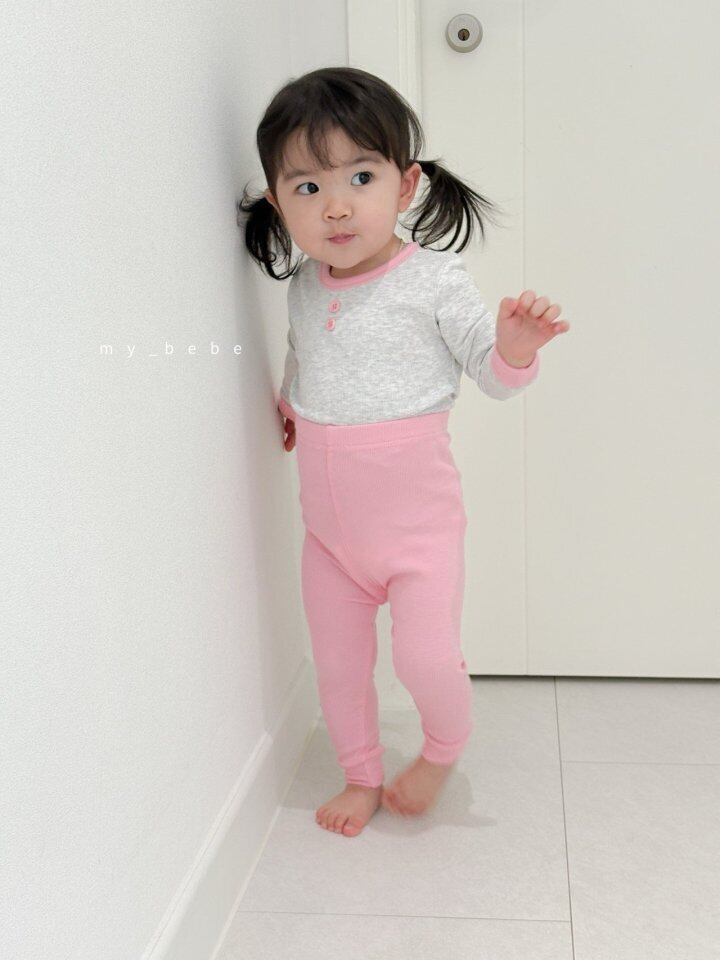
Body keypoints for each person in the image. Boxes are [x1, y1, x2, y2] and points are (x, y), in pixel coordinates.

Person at [237, 66, 569, 838]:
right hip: (330, 539)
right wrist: (291, 404)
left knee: (424, 659)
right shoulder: (306, 285)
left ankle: (443, 748)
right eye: (308, 188)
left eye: (360, 177)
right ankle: (360, 774)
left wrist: (515, 348)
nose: (337, 206)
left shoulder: (434, 279)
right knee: (339, 668)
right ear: (279, 203)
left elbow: (493, 374)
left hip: (418, 535)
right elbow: (306, 354)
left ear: (406, 184)